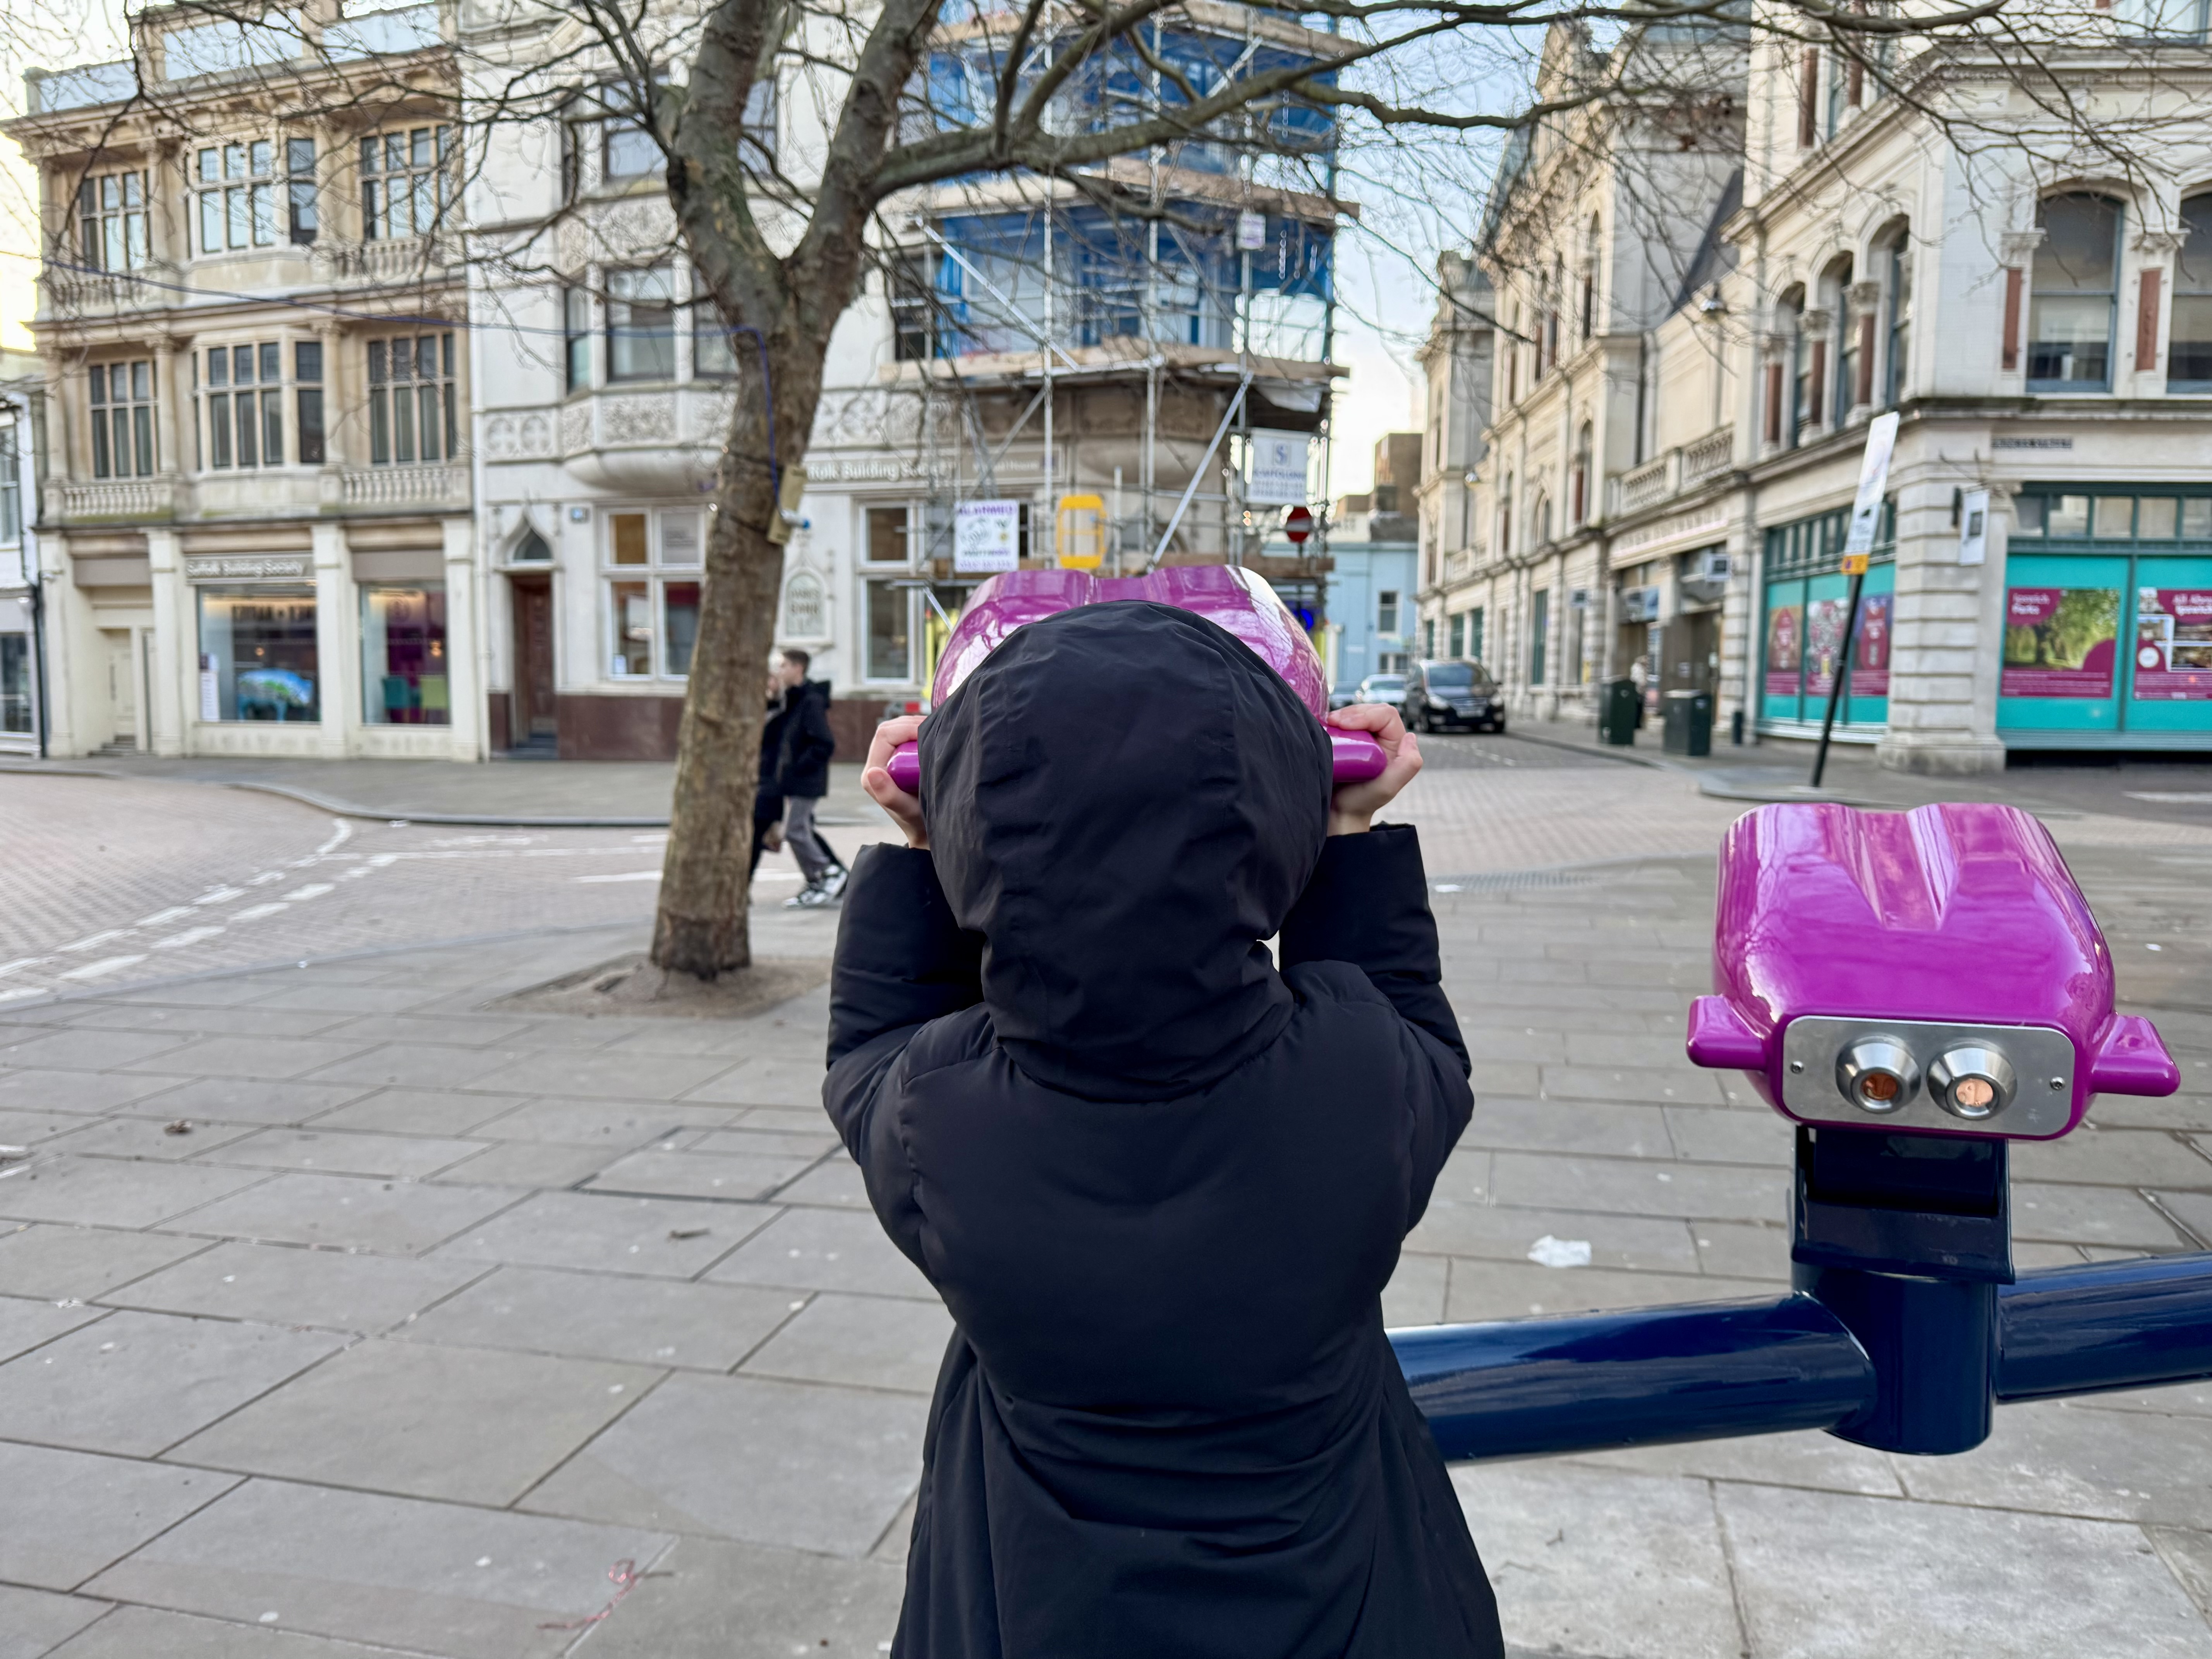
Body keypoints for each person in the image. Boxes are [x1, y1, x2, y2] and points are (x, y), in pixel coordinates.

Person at [828, 603, 1503, 1659]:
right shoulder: (1354, 1083)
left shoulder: (939, 1121)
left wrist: (922, 840)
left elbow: (866, 1049)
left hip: (1035, 1608)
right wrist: (1351, 834)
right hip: (1350, 1602)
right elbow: (1413, 1026)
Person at [769, 647, 848, 907]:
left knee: (795, 831)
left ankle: (828, 872)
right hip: (794, 778)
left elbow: (824, 743)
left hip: (806, 779)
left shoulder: (811, 701)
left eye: (784, 666)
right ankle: (816, 879)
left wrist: (798, 768)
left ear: (798, 668)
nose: (779, 672)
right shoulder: (793, 698)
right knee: (801, 830)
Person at [750, 670, 791, 881]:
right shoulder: (756, 711)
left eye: (772, 678)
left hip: (771, 782)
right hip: (753, 780)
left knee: (756, 835)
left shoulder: (785, 711)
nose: (768, 683)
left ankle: (743, 885)